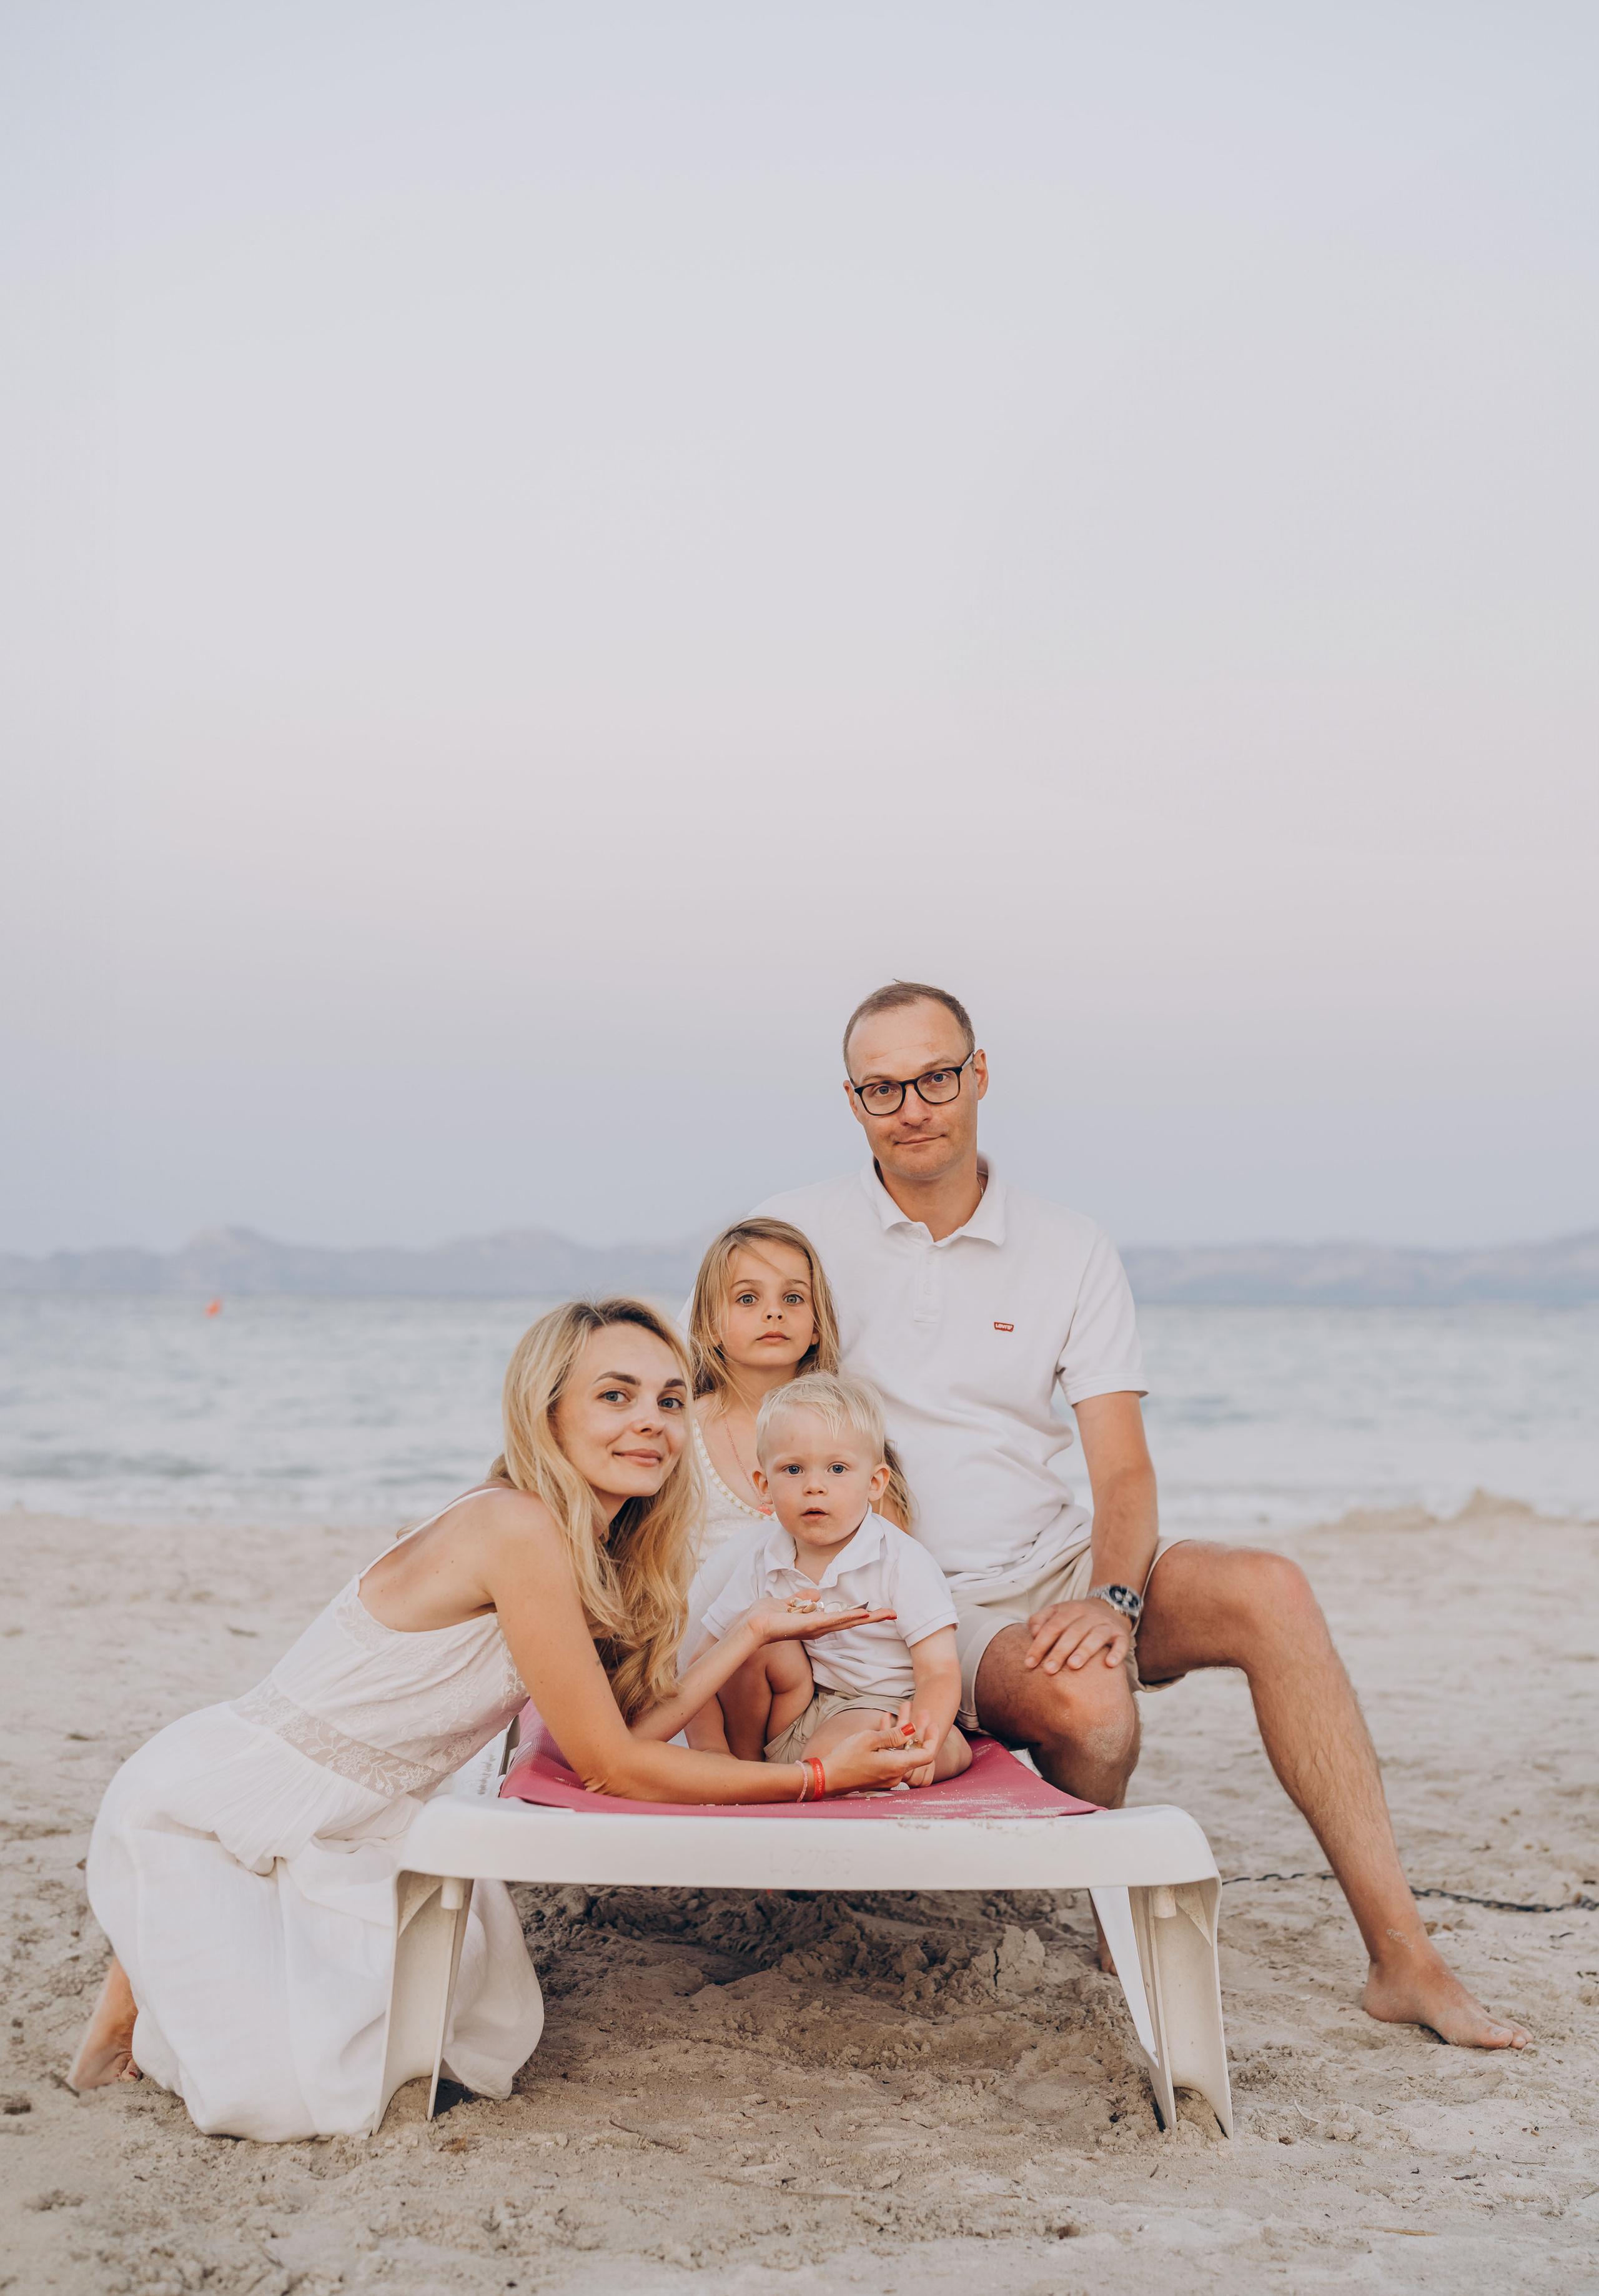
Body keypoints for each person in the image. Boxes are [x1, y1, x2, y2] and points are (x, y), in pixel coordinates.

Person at [734, 979, 1526, 2051]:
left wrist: (1112, 1595)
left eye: (934, 1076)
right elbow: (724, 1384)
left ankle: (1404, 1959)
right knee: (1097, 1710)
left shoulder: (1068, 1245)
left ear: (978, 1076)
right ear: (852, 1100)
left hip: (1060, 1559)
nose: (912, 1106)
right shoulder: (804, 1234)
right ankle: (1107, 1908)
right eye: (883, 1088)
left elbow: (1123, 1471)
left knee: (1270, 1591)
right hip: (920, 1597)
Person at [69, 1298, 928, 2139]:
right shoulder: (515, 1525)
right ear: (545, 1408)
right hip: (219, 1806)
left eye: (671, 1400)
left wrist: (751, 1631)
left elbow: (626, 1733)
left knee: (462, 2034)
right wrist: (814, 1778)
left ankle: (169, 1964)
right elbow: (614, 1766)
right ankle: (142, 1973)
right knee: (290, 2096)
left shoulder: (593, 1543)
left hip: (361, 1821)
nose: (652, 1422)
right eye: (615, 1395)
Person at [685, 1371, 969, 1787]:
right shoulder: (763, 1559)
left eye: (837, 1468)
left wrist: (929, 1732)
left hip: (881, 1706)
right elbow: (703, 1666)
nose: (814, 1486)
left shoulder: (899, 1559)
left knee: (836, 1753)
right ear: (764, 1485)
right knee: (745, 1640)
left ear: (875, 1483)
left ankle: (940, 1748)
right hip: (798, 1712)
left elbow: (939, 1671)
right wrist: (710, 1753)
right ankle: (746, 1771)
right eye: (793, 1469)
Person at [684, 1217, 913, 1552]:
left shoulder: (851, 1429)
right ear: (708, 1327)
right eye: (747, 1299)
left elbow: (898, 1560)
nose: (774, 1312)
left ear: (817, 1326)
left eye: (793, 1298)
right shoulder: (680, 1432)